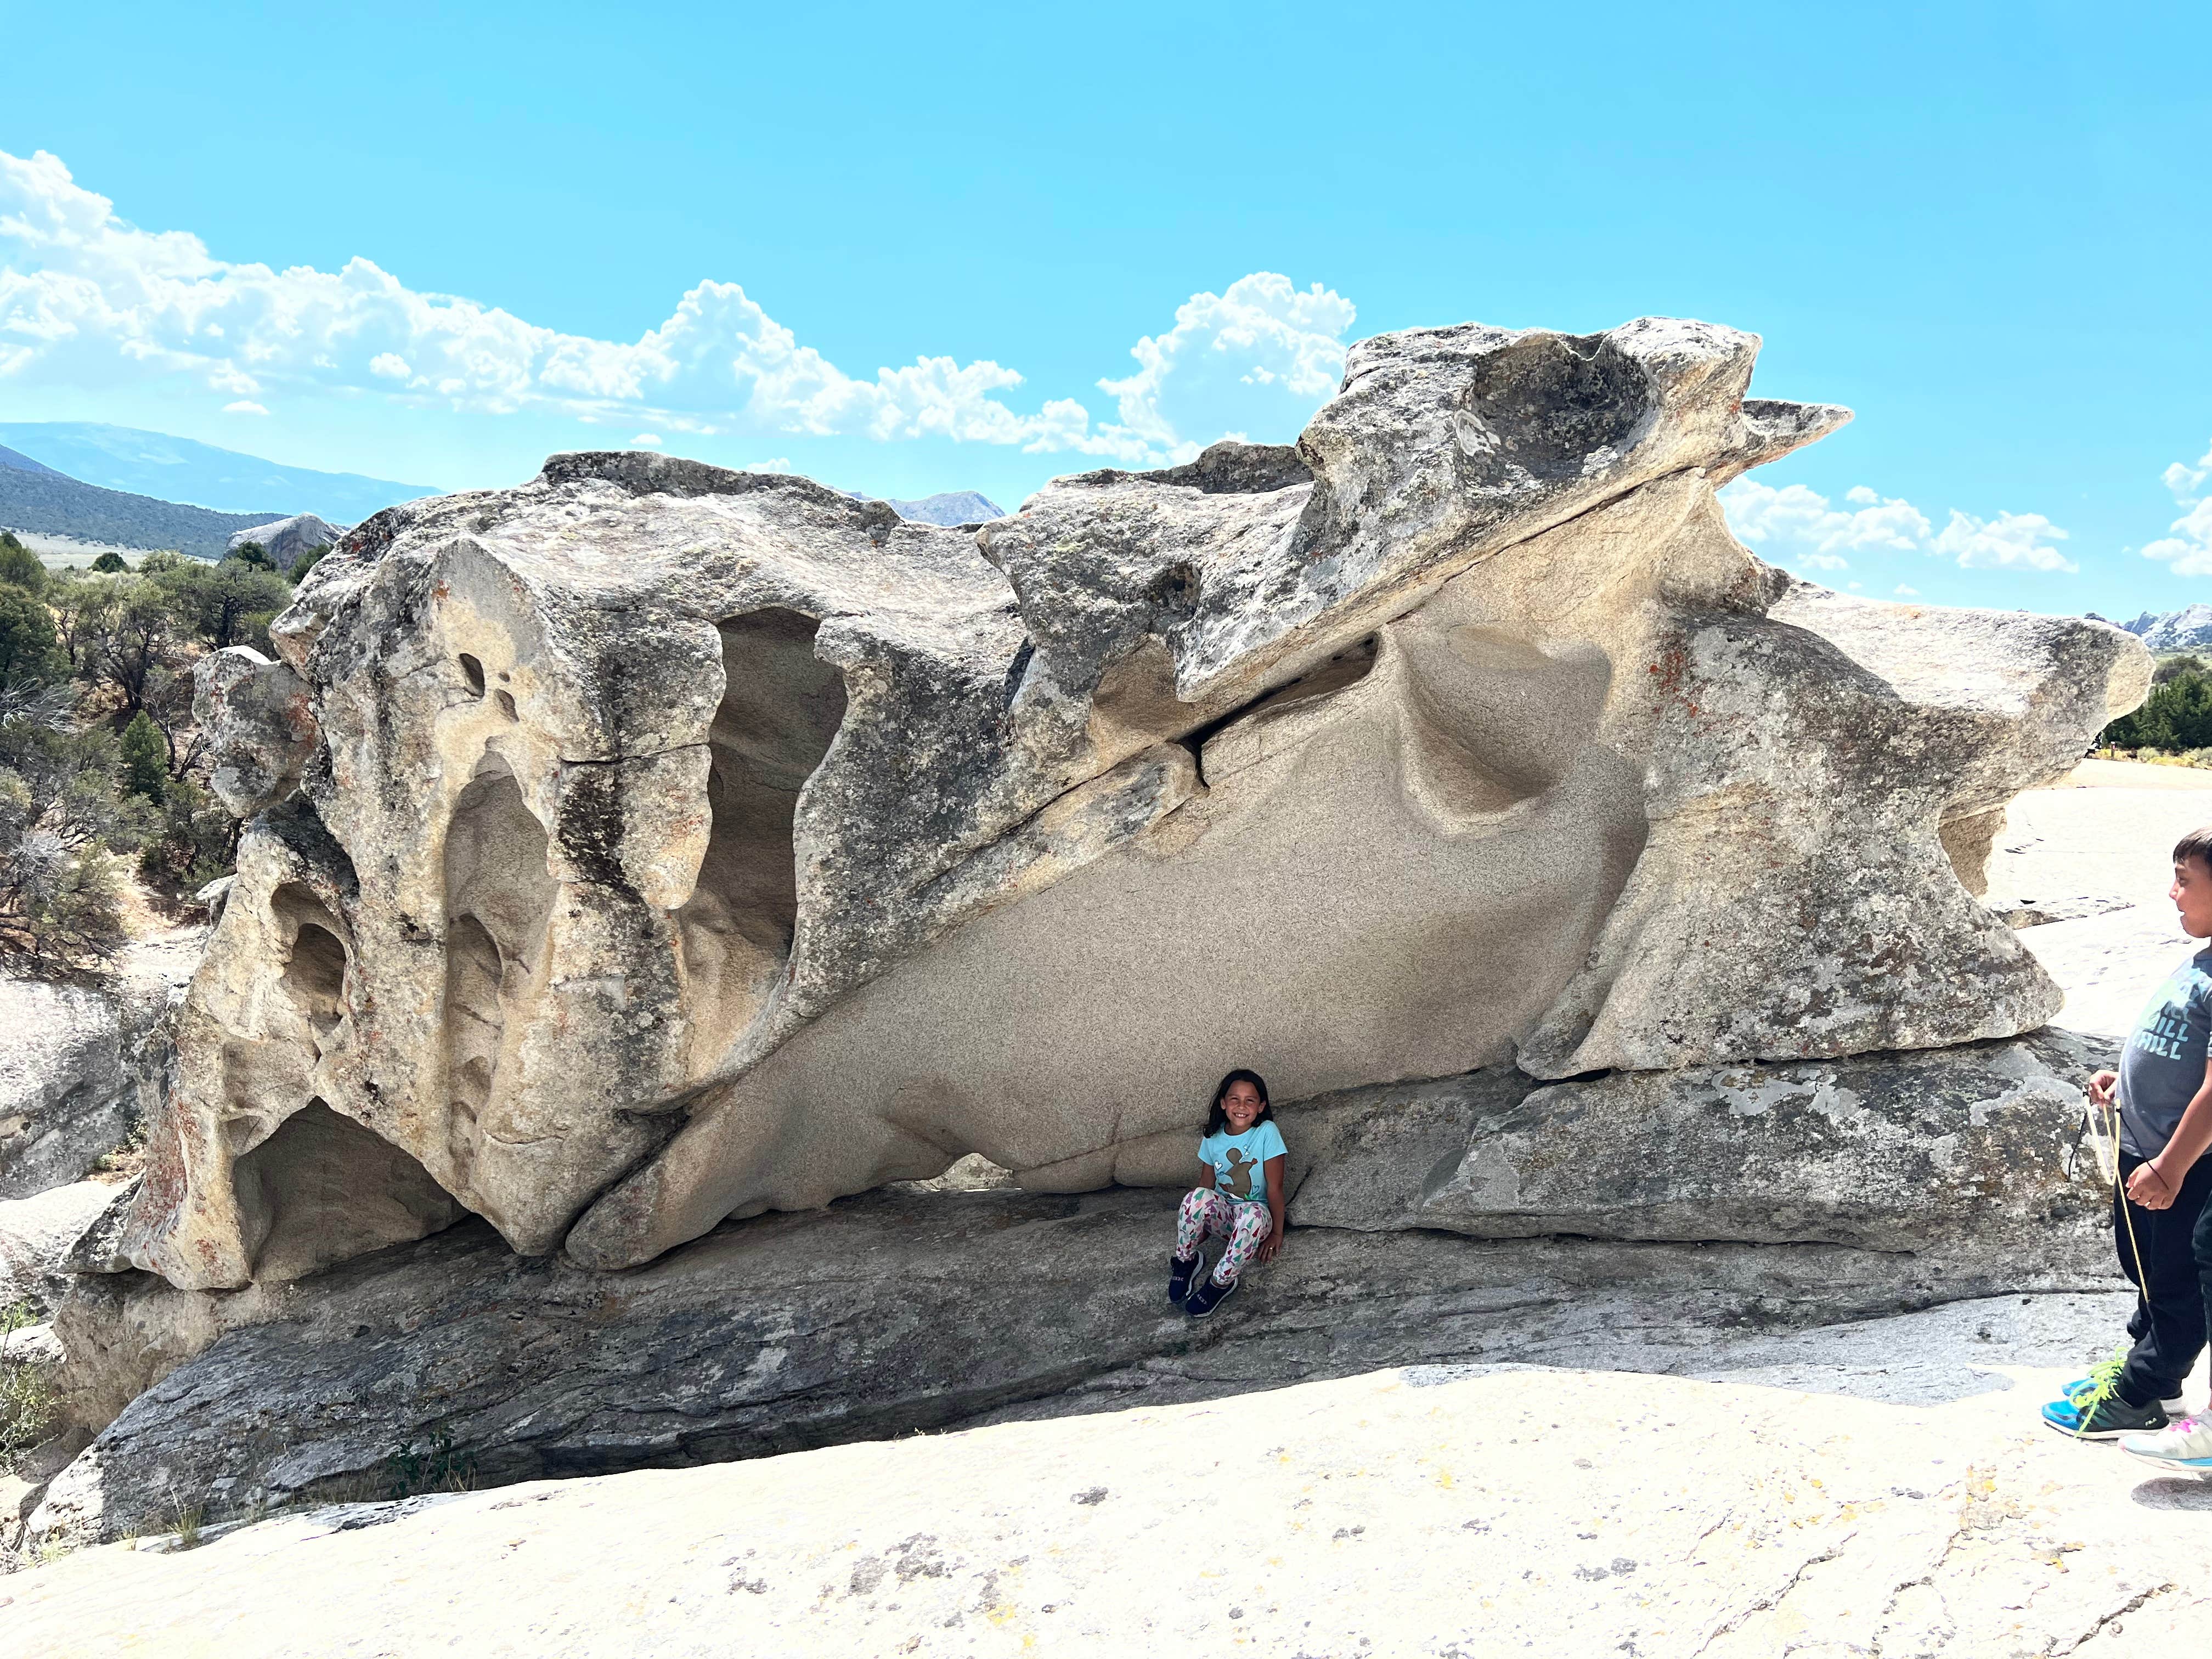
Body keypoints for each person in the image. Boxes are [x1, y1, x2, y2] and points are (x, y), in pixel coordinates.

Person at [2042, 826, 2212, 1441]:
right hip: (2146, 1149)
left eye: (2184, 881)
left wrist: (2172, 1166)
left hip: (2184, 1164)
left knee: (2176, 1284)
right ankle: (2149, 1375)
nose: (2172, 893)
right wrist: (2127, 1081)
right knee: (2148, 1272)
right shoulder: (2203, 959)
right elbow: (2181, 1050)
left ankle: (2140, 1393)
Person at [1167, 1068, 1288, 1318]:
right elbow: (1206, 1184)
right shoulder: (1213, 1136)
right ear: (1223, 1103)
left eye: (1250, 1100)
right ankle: (1186, 1261)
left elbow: (1275, 1188)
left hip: (1255, 1219)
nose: (1241, 1106)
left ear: (1261, 1106)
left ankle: (1220, 1283)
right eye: (1235, 1099)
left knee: (1253, 1215)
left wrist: (1277, 1232)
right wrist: (1197, 1224)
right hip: (1225, 1214)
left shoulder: (1266, 1132)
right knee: (1195, 1197)